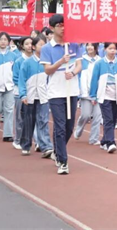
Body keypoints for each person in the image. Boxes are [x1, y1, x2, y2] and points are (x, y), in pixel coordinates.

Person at [40, 14, 82, 175]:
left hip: (72, 90)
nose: (63, 28)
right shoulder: (47, 48)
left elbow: (79, 65)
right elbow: (47, 70)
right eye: (59, 25)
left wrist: (73, 72)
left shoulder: (74, 45)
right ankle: (63, 161)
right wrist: (60, 62)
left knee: (69, 127)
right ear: (52, 28)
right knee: (60, 126)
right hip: (56, 92)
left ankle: (57, 151)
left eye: (65, 25)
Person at [89, 42, 117, 154]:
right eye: (110, 48)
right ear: (105, 49)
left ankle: (104, 141)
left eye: (114, 49)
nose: (112, 51)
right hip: (104, 96)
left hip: (116, 96)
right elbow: (94, 80)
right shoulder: (99, 64)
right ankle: (111, 142)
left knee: (113, 119)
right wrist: (93, 95)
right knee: (108, 119)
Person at [18, 35, 54, 158]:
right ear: (34, 47)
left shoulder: (48, 63)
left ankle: (46, 146)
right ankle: (26, 145)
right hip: (30, 96)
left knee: (43, 121)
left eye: (45, 44)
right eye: (40, 45)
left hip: (44, 96)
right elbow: (22, 80)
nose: (43, 47)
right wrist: (23, 94)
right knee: (28, 121)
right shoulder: (27, 63)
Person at [75, 43, 103, 145]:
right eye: (88, 45)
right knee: (86, 115)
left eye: (92, 45)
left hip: (98, 93)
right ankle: (78, 129)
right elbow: (77, 75)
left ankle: (94, 139)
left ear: (96, 47)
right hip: (85, 92)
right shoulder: (82, 60)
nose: (89, 47)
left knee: (97, 116)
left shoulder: (100, 60)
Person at [11, 37, 33, 151]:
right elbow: (15, 77)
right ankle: (18, 140)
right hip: (19, 93)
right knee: (20, 118)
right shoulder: (19, 61)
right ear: (22, 46)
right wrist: (24, 87)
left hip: (34, 93)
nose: (29, 46)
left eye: (31, 43)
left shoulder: (37, 60)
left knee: (33, 117)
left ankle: (33, 140)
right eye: (27, 44)